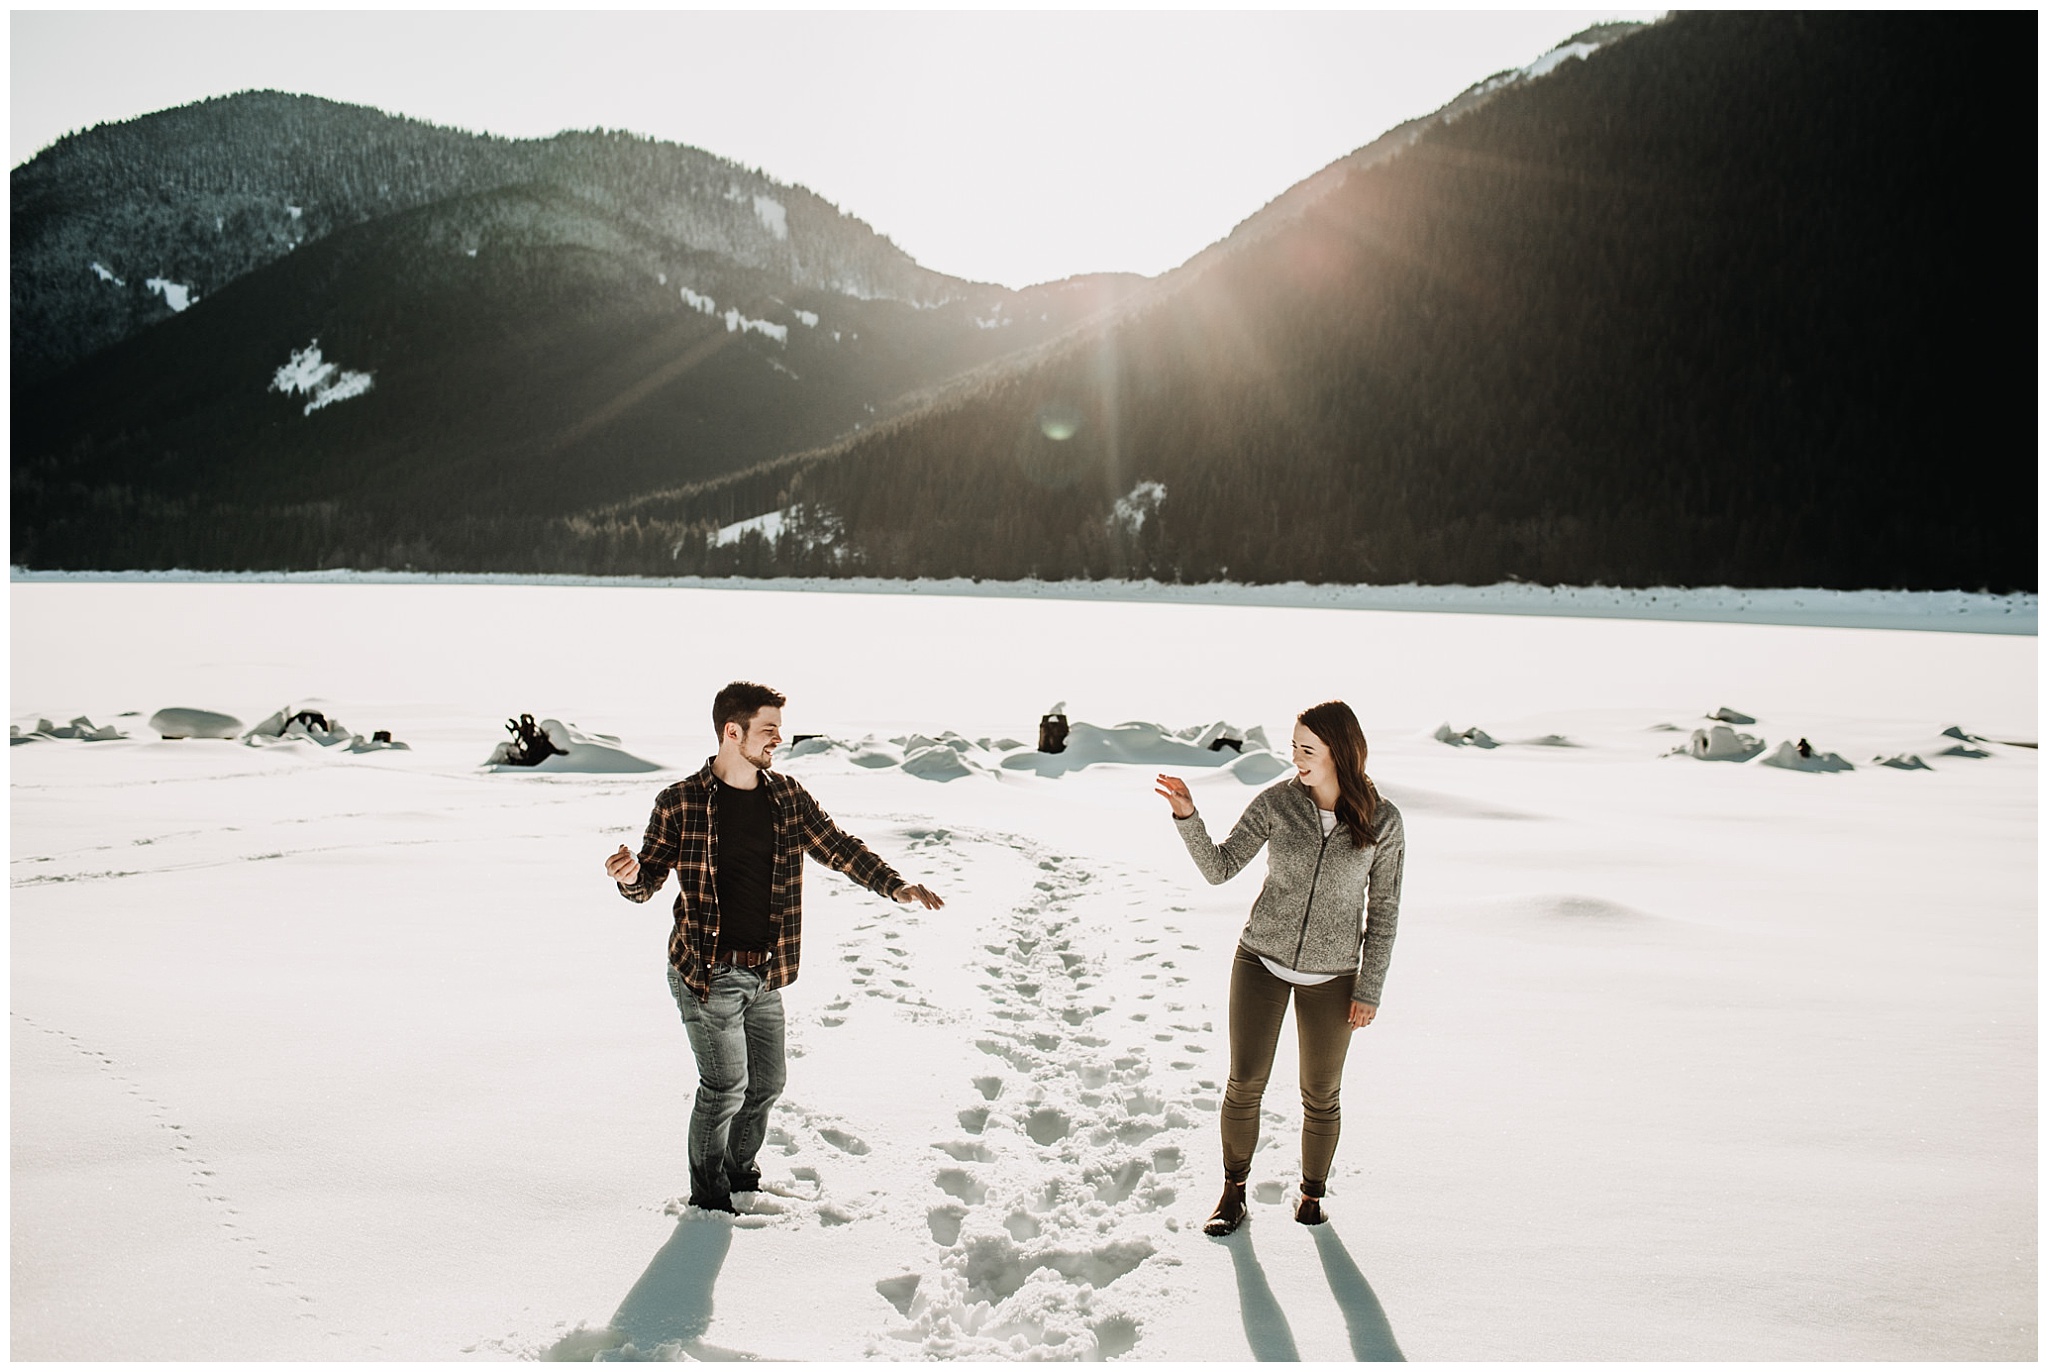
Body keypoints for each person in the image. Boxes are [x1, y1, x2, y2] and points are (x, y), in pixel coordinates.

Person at [604, 681, 945, 1215]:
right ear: (731, 732)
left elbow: (836, 846)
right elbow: (645, 881)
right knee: (724, 1088)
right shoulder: (681, 802)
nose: (778, 740)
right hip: (707, 973)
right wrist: (627, 876)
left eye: (778, 731)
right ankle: (710, 1202)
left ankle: (741, 1176)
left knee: (766, 1084)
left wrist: (893, 884)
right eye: (768, 730)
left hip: (765, 971)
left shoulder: (786, 796)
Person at [1154, 700, 1405, 1234]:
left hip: (1334, 978)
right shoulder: (1277, 803)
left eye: (1307, 748)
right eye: (1293, 746)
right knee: (1245, 1083)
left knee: (1321, 1093)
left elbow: (1384, 911)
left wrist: (1370, 987)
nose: (1296, 757)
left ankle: (1312, 1196)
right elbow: (1220, 868)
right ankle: (1232, 1193)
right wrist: (1186, 817)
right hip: (1260, 962)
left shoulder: (1383, 822)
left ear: (1339, 752)